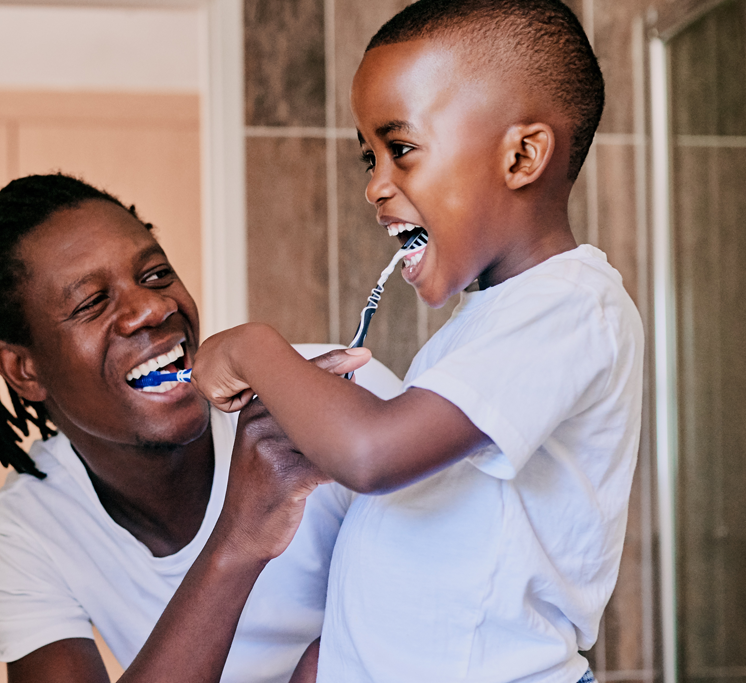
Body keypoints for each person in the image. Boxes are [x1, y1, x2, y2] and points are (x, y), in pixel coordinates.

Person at [190, 1, 644, 681]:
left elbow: (373, 454)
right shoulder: (486, 322)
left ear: (522, 155)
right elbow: (423, 531)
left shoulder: (573, 305)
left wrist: (255, 347)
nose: (375, 186)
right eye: (368, 157)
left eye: (399, 149)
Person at [0, 174, 402, 683]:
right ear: (24, 370)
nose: (154, 308)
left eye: (155, 275)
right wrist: (243, 534)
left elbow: (447, 622)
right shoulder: (27, 531)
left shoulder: (328, 393)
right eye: (92, 302)